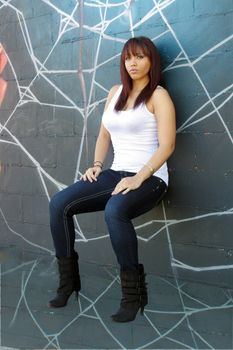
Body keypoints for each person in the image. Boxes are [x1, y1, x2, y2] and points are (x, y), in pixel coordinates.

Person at [48, 36, 176, 322]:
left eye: (141, 57)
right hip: (116, 173)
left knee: (115, 210)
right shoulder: (115, 92)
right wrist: (96, 165)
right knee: (59, 204)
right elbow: (105, 133)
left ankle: (133, 297)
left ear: (151, 61)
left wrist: (139, 177)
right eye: (129, 57)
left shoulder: (158, 95)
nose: (133, 62)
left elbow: (167, 145)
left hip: (152, 176)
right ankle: (68, 284)